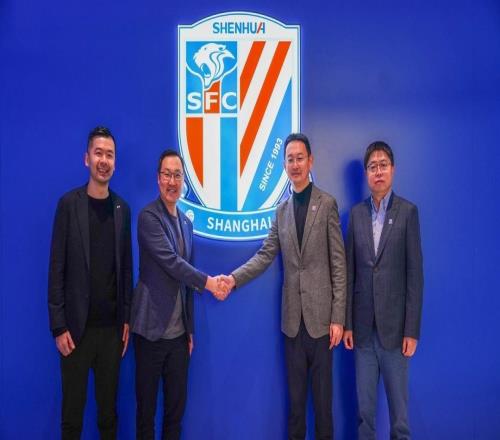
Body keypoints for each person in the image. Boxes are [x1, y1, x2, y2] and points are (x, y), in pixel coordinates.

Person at [220, 133, 346, 440]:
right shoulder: (281, 211)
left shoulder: (327, 204)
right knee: (295, 408)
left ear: (310, 161)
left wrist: (338, 317)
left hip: (322, 325)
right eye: (290, 159)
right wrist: (234, 279)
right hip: (292, 325)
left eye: (300, 158)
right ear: (284, 165)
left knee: (323, 407)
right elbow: (265, 255)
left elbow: (339, 265)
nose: (295, 164)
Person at [130, 149, 226, 440]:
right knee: (146, 414)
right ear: (158, 179)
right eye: (167, 175)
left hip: (178, 338)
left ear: (184, 181)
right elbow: (172, 263)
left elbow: (187, 281)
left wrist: (190, 329)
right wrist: (210, 283)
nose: (172, 181)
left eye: (177, 175)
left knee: (175, 414)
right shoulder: (148, 217)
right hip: (150, 332)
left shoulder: (186, 222)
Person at [48, 126, 132, 439]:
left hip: (111, 333)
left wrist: (127, 318)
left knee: (108, 417)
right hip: (74, 333)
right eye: (98, 153)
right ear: (87, 159)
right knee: (72, 418)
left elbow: (126, 270)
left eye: (109, 155)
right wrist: (58, 326)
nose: (104, 160)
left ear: (115, 162)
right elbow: (56, 268)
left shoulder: (122, 209)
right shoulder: (68, 205)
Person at [343, 141, 423, 440]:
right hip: (363, 332)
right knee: (365, 415)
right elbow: (349, 273)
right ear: (366, 173)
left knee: (399, 418)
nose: (378, 171)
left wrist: (411, 330)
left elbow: (415, 275)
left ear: (393, 170)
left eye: (383, 165)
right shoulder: (356, 215)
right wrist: (348, 324)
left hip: (395, 333)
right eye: (372, 166)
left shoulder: (408, 212)